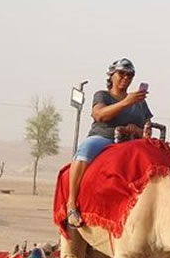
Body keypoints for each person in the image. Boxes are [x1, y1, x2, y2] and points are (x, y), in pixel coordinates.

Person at [65, 58, 152, 227]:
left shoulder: (140, 103)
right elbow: (100, 115)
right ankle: (71, 205)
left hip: (133, 144)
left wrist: (137, 130)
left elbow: (147, 131)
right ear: (111, 75)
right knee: (86, 149)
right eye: (122, 73)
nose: (126, 77)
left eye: (130, 75)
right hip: (104, 138)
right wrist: (127, 102)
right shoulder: (103, 95)